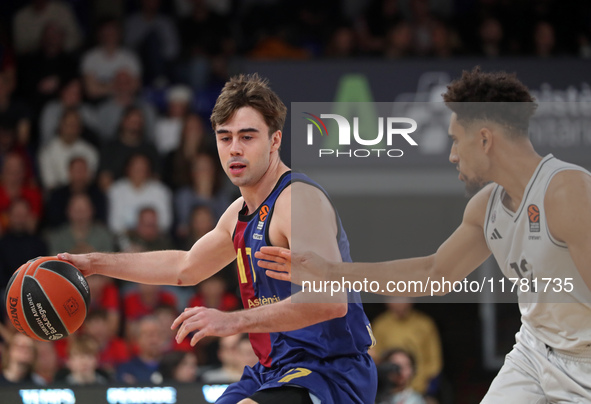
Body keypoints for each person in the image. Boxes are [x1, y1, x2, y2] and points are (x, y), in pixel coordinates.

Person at [258, 67, 591, 403]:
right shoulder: (485, 207)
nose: (452, 155)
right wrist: (331, 272)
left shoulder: (566, 191)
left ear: (485, 140)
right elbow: (433, 274)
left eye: (456, 140)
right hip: (533, 354)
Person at [59, 73, 377, 403]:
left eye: (247, 136)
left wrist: (232, 321)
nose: (235, 149)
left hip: (330, 372)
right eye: (225, 138)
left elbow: (330, 300)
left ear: (275, 140)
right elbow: (184, 267)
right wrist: (94, 263)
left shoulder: (299, 201)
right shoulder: (239, 212)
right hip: (273, 370)